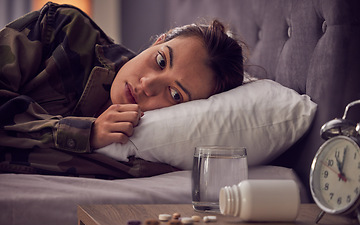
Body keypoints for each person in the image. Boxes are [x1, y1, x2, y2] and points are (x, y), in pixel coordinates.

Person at [0, 2, 245, 177]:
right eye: (161, 61)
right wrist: (86, 133)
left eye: (174, 94)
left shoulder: (149, 154)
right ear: (160, 40)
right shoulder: (65, 29)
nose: (148, 84)